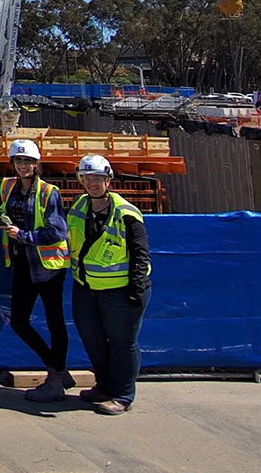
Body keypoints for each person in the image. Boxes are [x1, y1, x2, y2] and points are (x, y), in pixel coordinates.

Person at [0, 138, 73, 402]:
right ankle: (57, 367)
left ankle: (55, 379)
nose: (23, 166)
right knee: (19, 321)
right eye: (19, 161)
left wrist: (23, 235)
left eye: (28, 161)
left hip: (48, 268)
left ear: (37, 164)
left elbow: (57, 231)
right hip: (22, 267)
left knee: (56, 323)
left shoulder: (48, 192)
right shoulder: (7, 186)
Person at [68, 154, 152, 415]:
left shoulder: (126, 214)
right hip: (86, 288)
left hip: (120, 291)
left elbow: (141, 254)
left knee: (122, 342)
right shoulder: (79, 207)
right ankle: (103, 387)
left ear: (109, 180)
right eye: (88, 179)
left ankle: (123, 395)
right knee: (93, 340)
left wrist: (136, 291)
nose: (93, 184)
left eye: (98, 179)